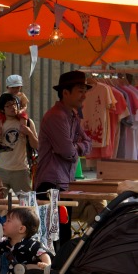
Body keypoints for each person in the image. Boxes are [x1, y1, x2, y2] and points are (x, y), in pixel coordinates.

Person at [34, 71, 92, 245]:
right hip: (51, 183)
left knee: (63, 231)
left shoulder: (73, 115)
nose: (84, 95)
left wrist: (76, 147)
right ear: (65, 92)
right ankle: (51, 270)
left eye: (85, 90)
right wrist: (77, 148)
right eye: (80, 90)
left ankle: (60, 269)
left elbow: (88, 143)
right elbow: (67, 151)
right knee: (52, 235)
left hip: (64, 182)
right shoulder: (56, 116)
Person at [0, 93, 38, 194]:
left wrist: (29, 133)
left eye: (15, 104)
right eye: (9, 105)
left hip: (21, 171)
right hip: (1, 170)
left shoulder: (27, 122)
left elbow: (36, 145)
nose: (13, 107)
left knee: (27, 204)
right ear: (2, 109)